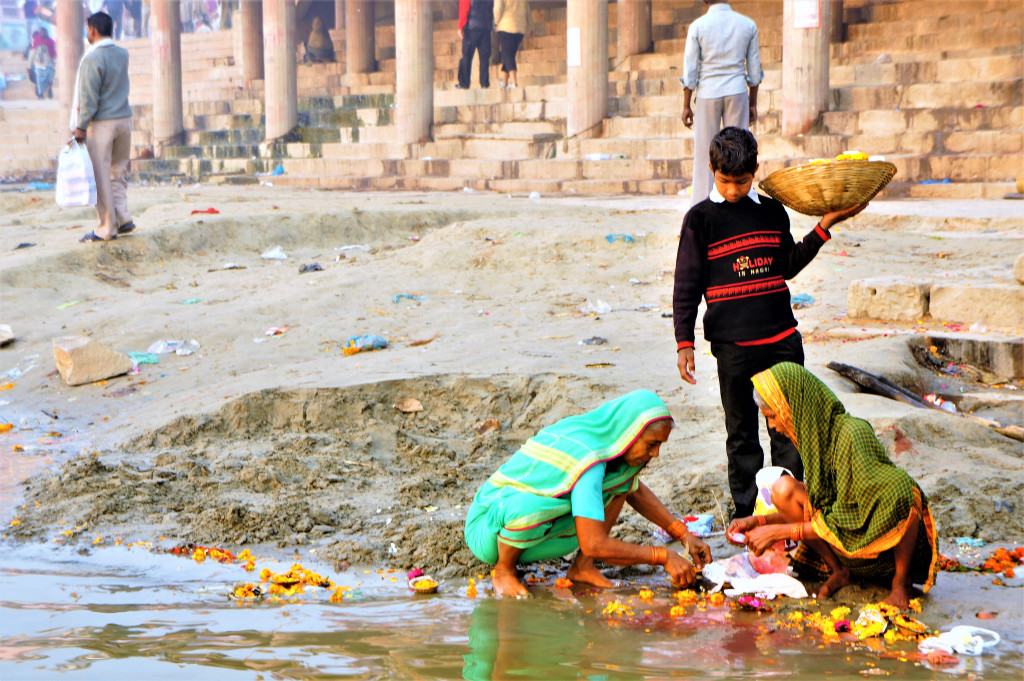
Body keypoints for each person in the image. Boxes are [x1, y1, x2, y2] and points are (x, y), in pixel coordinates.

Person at [673, 126, 866, 519]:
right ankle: (749, 513)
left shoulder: (772, 211)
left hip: (781, 340)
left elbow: (787, 266)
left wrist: (823, 227)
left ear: (755, 171)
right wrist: (684, 342)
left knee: (789, 431)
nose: (732, 190)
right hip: (732, 347)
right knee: (742, 435)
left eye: (741, 182)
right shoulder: (701, 220)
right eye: (725, 181)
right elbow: (687, 285)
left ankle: (789, 512)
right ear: (711, 169)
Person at [464, 390, 712, 598]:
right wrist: (662, 556)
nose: (656, 454)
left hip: (528, 530)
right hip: (487, 532)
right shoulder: (590, 458)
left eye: (660, 445)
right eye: (651, 444)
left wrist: (684, 535)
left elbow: (634, 490)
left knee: (622, 483)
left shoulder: (606, 444)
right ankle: (504, 570)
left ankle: (582, 567)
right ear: (629, 433)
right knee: (530, 511)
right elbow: (593, 543)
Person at [729, 363, 938, 608]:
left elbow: (855, 517)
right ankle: (839, 571)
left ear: (793, 408)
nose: (773, 426)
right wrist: (759, 522)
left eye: (773, 416)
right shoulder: (813, 442)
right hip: (844, 549)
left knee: (902, 490)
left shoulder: (853, 433)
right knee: (782, 489)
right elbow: (822, 511)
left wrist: (781, 532)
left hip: (879, 549)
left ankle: (900, 584)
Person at [681, 0, 763, 206]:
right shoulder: (747, 25)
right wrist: (753, 103)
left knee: (704, 154)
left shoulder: (698, 26)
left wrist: (686, 105)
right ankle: (739, 203)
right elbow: (754, 72)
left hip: (708, 92)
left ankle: (701, 206)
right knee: (739, 151)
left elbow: (690, 70)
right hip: (736, 90)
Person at [71, 12, 135, 243]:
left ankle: (106, 228)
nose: (87, 33)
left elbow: (89, 99)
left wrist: (80, 127)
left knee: (101, 177)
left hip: (103, 124)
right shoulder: (122, 54)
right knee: (117, 173)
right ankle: (123, 217)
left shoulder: (92, 59)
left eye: (88, 29)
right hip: (124, 121)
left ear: (93, 30)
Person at [493, 0, 532, 89]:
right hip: (520, 29)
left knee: (507, 55)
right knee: (509, 54)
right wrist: (531, 26)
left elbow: (498, 8)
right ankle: (505, 81)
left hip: (506, 26)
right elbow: (528, 11)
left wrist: (495, 22)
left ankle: (514, 83)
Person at [456, 0, 493, 89]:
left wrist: (460, 26)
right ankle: (484, 83)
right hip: (485, 29)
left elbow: (464, 10)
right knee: (484, 58)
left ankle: (464, 83)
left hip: (471, 28)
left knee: (467, 57)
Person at [29, 28, 55, 99]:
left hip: (49, 64)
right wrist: (29, 66)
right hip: (39, 65)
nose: (44, 34)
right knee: (40, 81)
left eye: (45, 32)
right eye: (42, 32)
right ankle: (40, 94)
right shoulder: (36, 42)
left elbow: (54, 53)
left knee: (49, 80)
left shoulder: (51, 42)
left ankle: (48, 91)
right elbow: (32, 54)